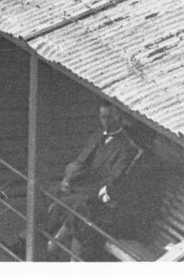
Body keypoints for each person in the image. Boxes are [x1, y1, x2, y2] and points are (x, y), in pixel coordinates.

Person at [43, 105, 144, 261]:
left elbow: (113, 179)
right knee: (53, 192)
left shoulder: (126, 146)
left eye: (110, 117)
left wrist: (84, 188)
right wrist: (68, 178)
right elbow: (81, 161)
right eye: (103, 117)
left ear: (117, 117)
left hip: (98, 193)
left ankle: (50, 244)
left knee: (68, 205)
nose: (106, 122)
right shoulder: (98, 136)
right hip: (85, 185)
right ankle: (35, 240)